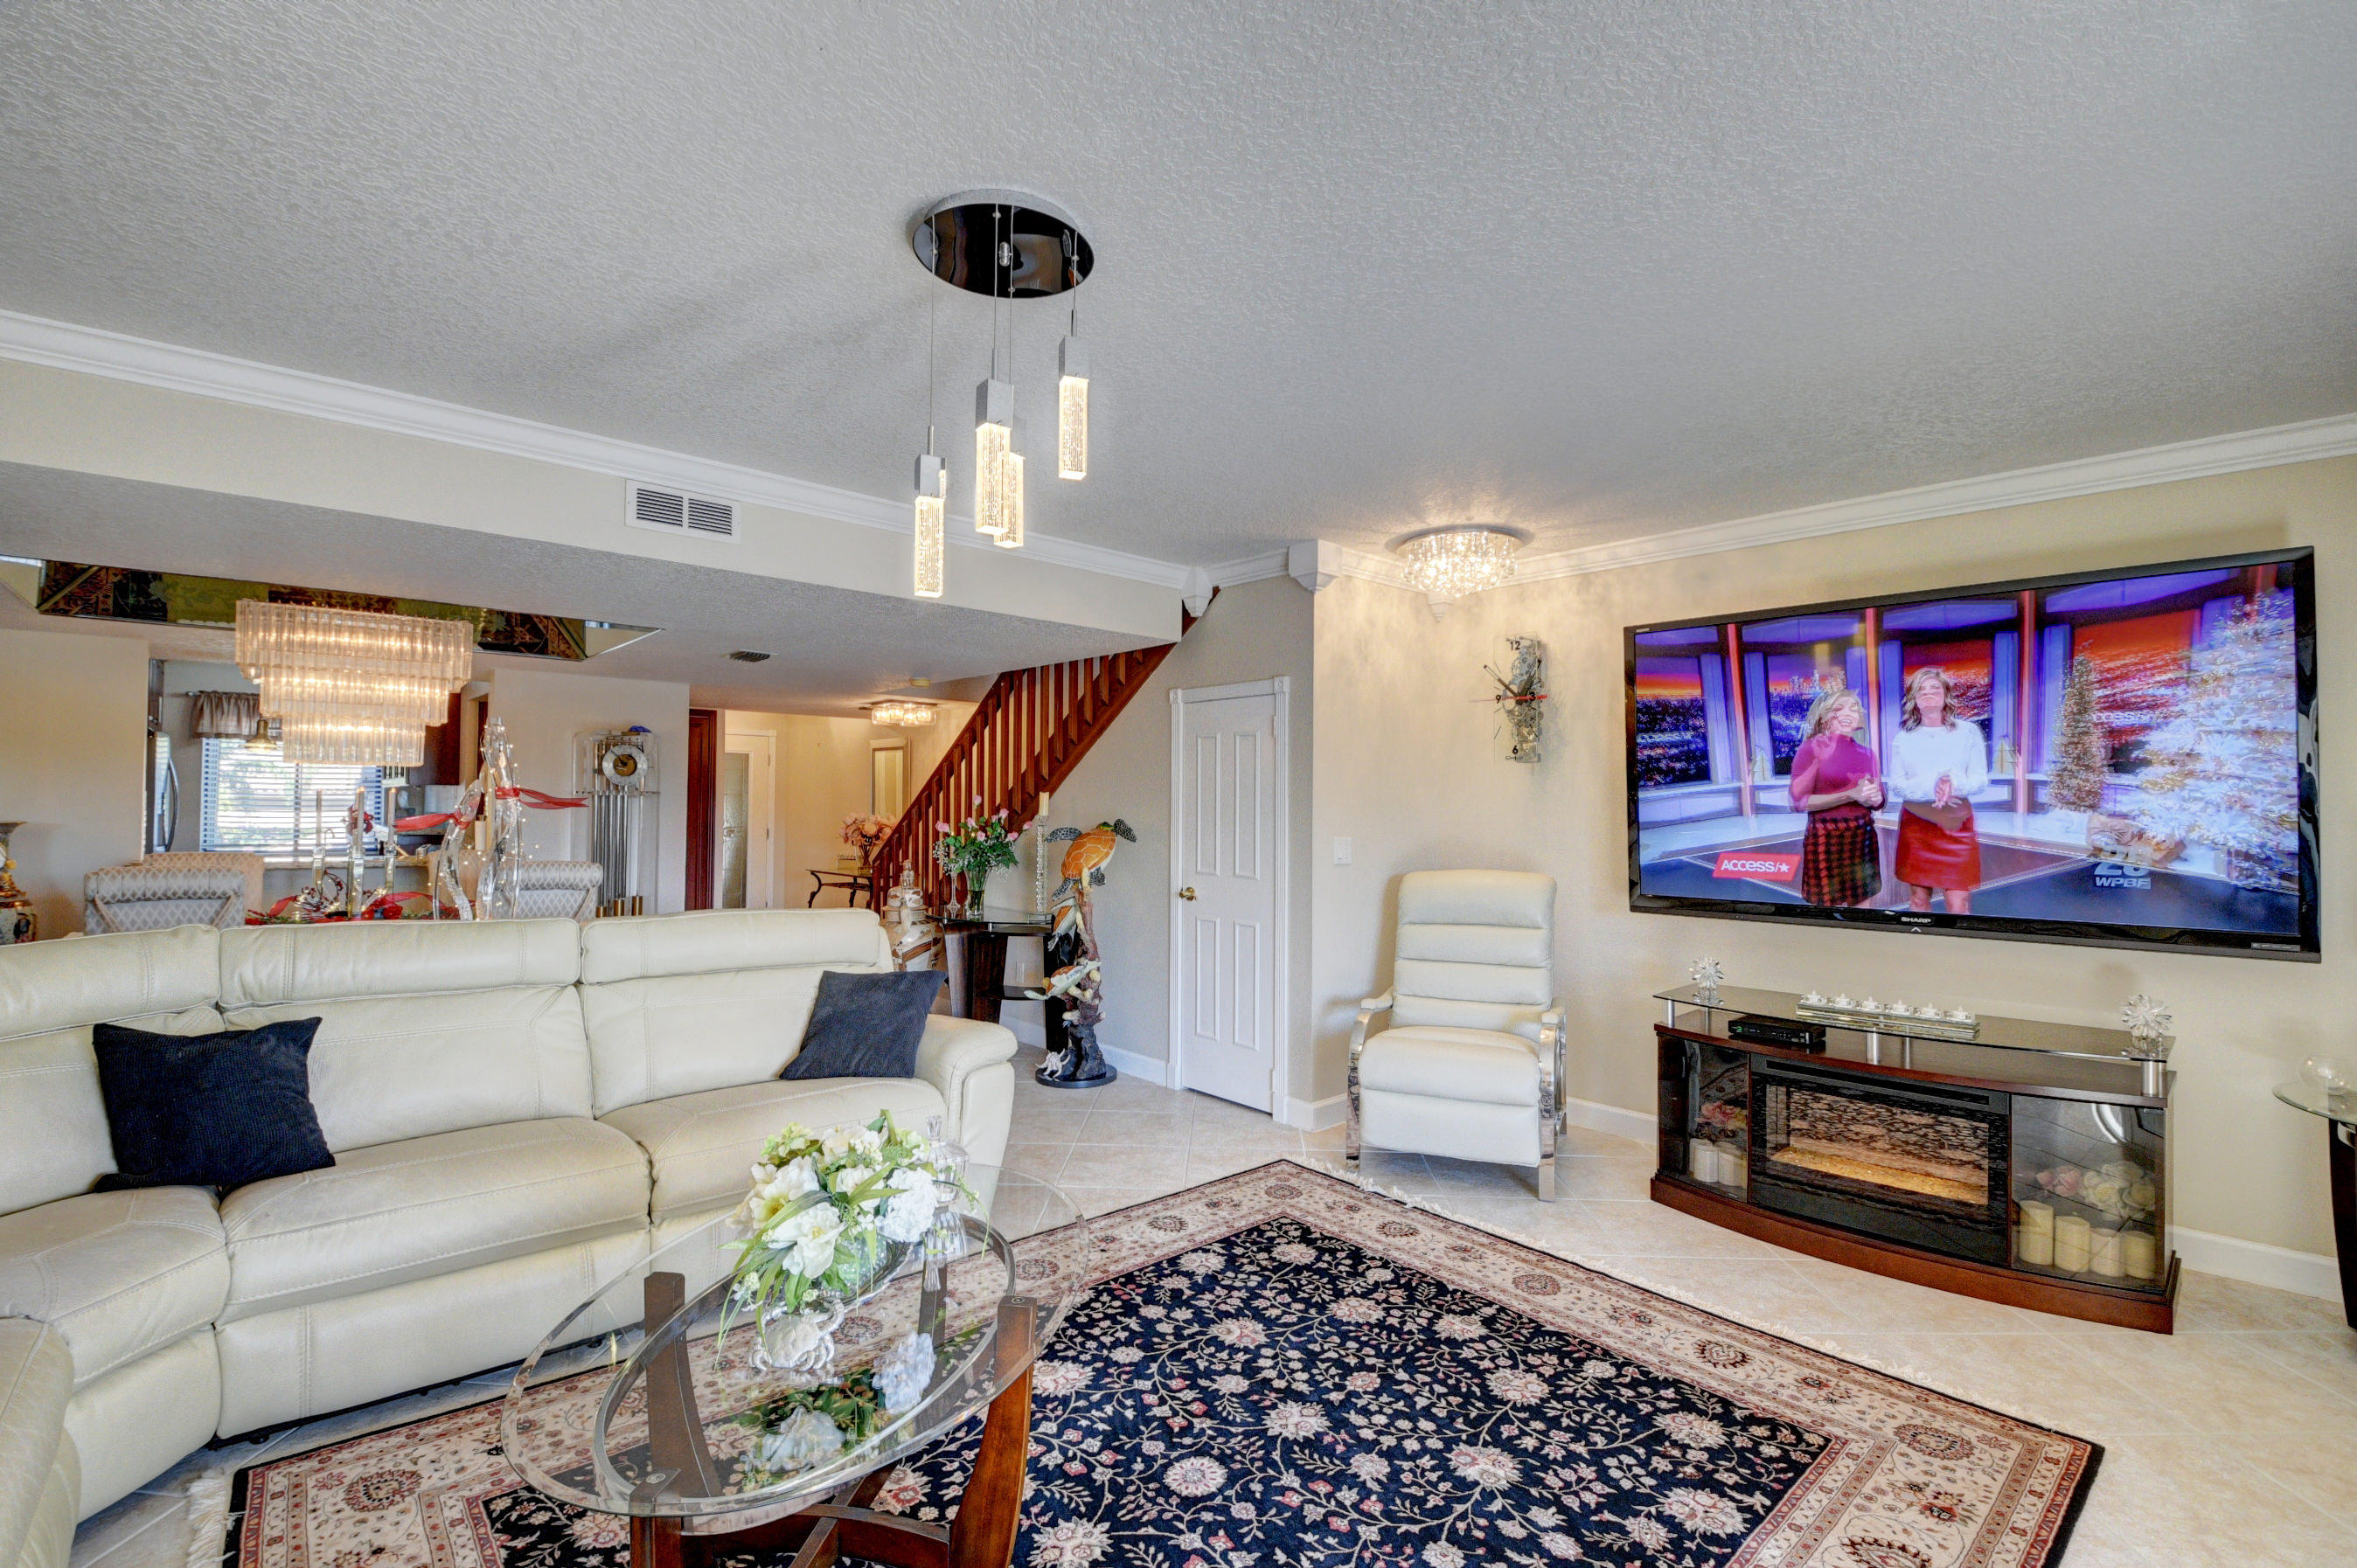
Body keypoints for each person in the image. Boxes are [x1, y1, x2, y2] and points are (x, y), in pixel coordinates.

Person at [1886, 665, 1987, 913]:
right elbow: (1897, 785)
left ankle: (1959, 950)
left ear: (1946, 695)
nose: (1928, 693)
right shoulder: (1904, 738)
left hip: (1956, 824)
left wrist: (1953, 785)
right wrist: (1933, 786)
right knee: (1919, 900)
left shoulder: (1968, 732)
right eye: (1921, 689)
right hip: (1917, 825)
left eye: (1935, 688)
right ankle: (1921, 948)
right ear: (1914, 699)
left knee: (1958, 901)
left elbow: (1980, 780)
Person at [1787, 688, 1883, 906]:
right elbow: (1798, 802)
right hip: (1826, 836)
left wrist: (1875, 798)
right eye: (1839, 708)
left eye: (1854, 707)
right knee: (1829, 912)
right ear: (1825, 716)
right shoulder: (1809, 749)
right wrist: (1849, 794)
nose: (1848, 712)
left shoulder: (1867, 753)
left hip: (1863, 834)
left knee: (1863, 906)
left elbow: (1879, 800)